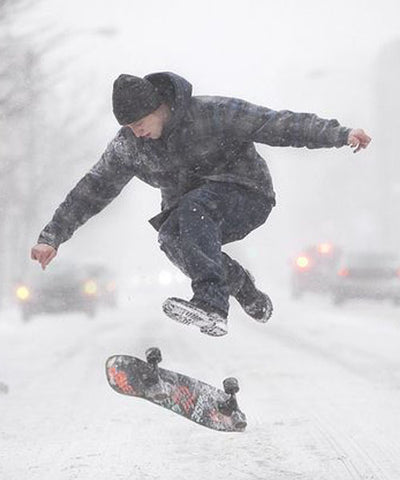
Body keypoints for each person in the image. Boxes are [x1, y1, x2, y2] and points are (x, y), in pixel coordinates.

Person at [31, 72, 371, 337]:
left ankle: (211, 303)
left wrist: (338, 134)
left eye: (140, 125)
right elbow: (94, 187)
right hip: (193, 215)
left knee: (195, 206)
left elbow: (274, 123)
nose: (137, 134)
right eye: (129, 129)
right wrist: (52, 235)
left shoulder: (212, 113)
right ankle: (242, 286)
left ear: (158, 109)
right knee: (170, 238)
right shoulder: (130, 147)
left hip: (247, 194)